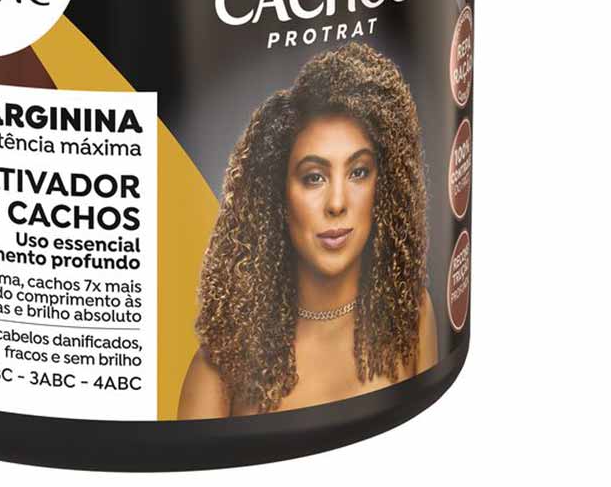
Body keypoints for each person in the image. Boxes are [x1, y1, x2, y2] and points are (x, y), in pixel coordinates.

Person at [178, 43, 437, 418]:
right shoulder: (222, 364)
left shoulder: (409, 315)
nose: (337, 203)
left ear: (384, 185)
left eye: (358, 172)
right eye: (314, 177)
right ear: (278, 196)